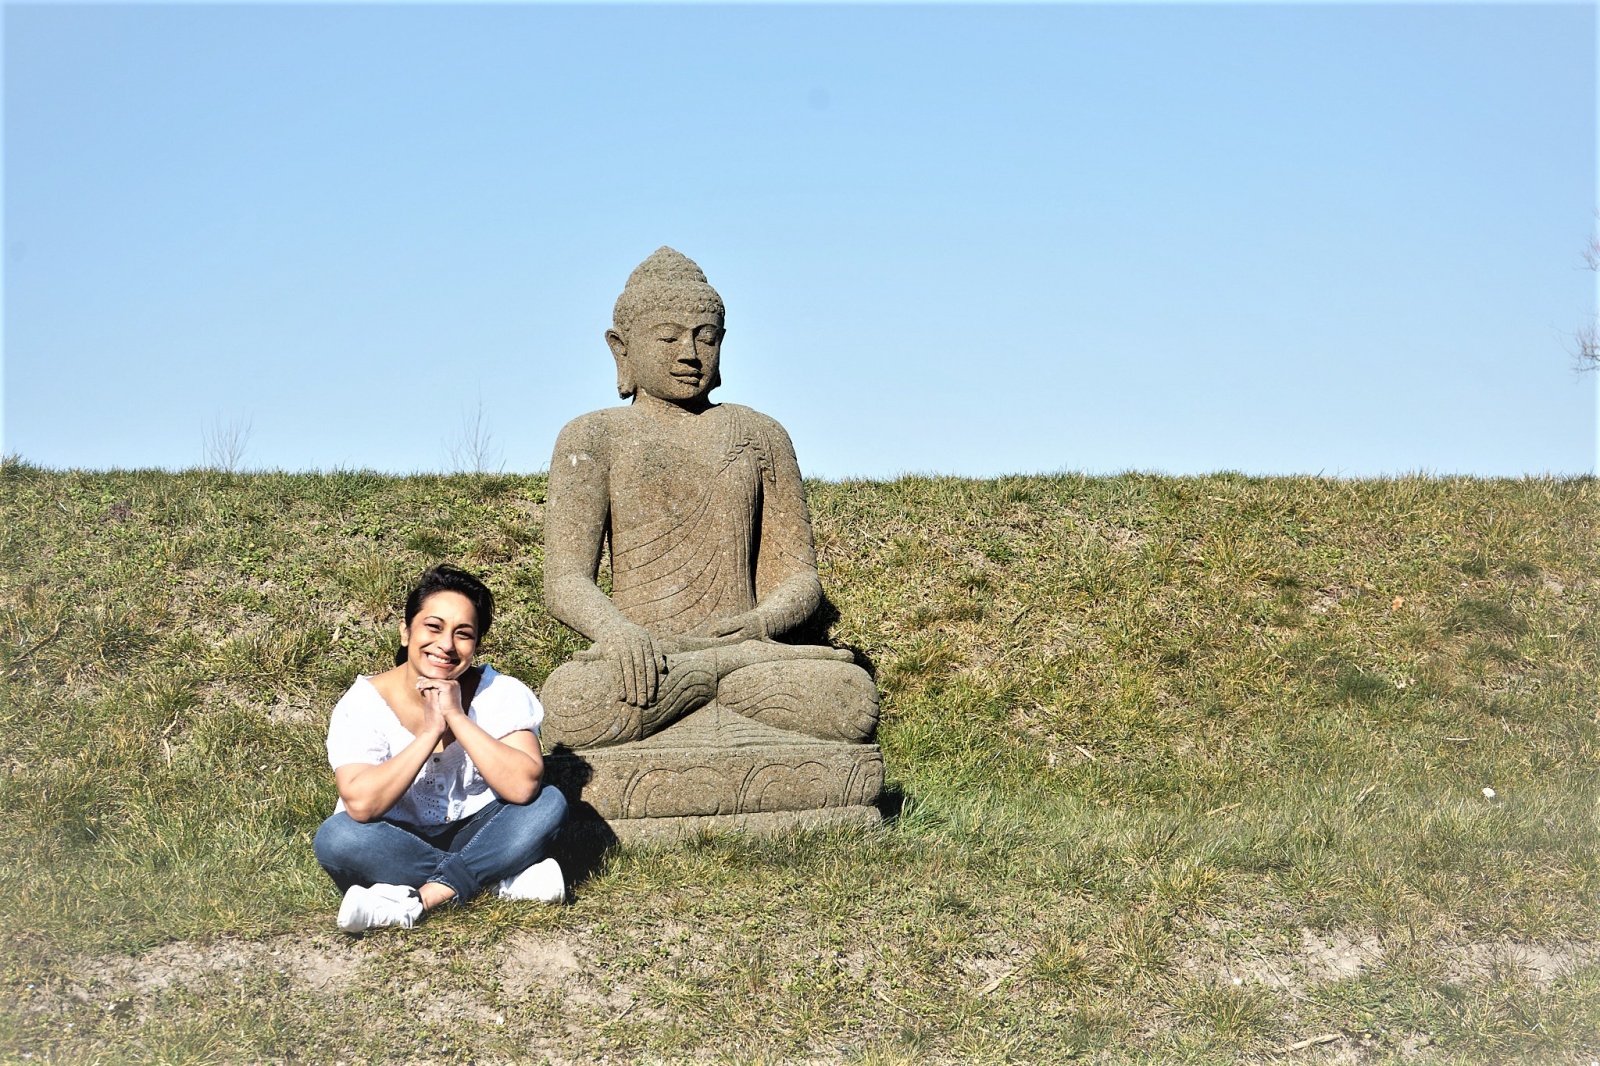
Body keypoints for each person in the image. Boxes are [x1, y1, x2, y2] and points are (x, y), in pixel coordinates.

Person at [539, 246, 879, 750]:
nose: (690, 354)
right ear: (621, 348)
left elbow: (800, 577)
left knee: (847, 695)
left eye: (706, 338)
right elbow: (565, 581)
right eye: (668, 337)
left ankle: (703, 715)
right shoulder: (593, 437)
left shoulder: (760, 434)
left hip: (745, 656)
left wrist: (763, 621)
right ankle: (735, 729)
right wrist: (617, 635)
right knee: (572, 703)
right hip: (652, 661)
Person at [313, 564, 567, 933]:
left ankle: (420, 899)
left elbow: (523, 786)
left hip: (483, 828)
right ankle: (499, 881)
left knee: (548, 803)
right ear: (406, 631)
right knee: (338, 837)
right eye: (433, 627)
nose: (446, 645)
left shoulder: (501, 692)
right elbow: (362, 803)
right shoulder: (363, 703)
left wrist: (456, 717)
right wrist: (431, 732)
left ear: (475, 645)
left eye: (463, 634)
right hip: (396, 839)